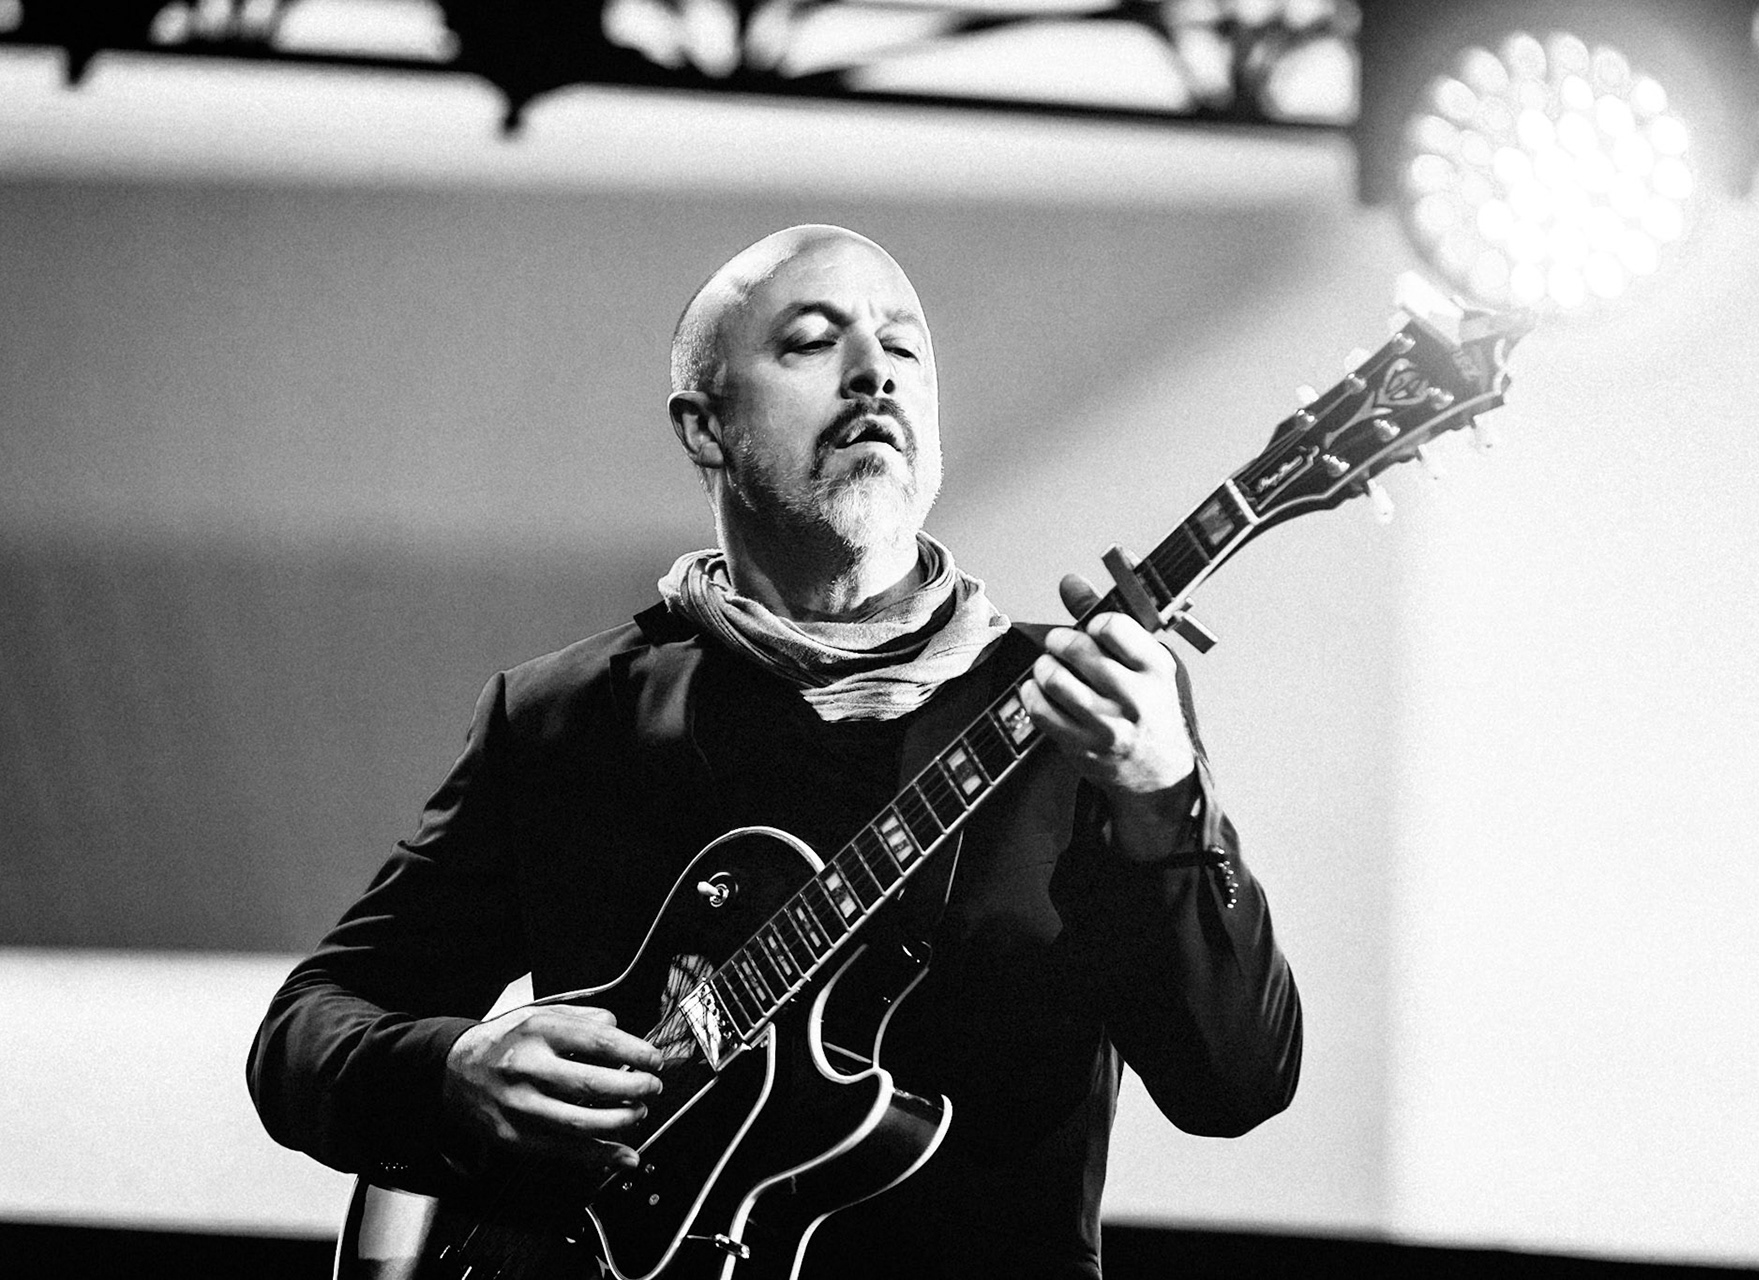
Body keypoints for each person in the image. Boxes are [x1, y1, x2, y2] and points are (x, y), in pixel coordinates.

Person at [249, 225, 1303, 1279]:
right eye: (811, 340)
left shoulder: (1087, 714)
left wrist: (1164, 792)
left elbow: (1236, 1084)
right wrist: (451, 1070)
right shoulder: (568, 717)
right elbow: (306, 1029)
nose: (874, 371)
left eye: (905, 346)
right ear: (705, 426)